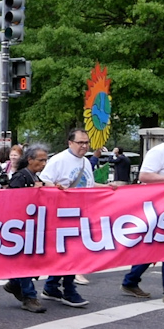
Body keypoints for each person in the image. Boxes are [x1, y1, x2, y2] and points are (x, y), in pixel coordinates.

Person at [38, 128, 98, 307]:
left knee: (70, 252)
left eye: (86, 142)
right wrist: (57, 190)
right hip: (62, 214)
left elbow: (88, 185)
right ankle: (69, 289)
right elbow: (44, 180)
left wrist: (108, 187)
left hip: (81, 213)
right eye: (80, 143)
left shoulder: (85, 162)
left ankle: (52, 286)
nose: (84, 146)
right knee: (71, 253)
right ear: (70, 143)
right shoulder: (59, 160)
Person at [122, 123, 164, 302]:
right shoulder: (159, 152)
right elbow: (144, 176)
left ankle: (131, 280)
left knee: (157, 245)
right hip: (159, 207)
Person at [2, 144, 51, 311]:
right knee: (26, 261)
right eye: (40, 160)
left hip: (33, 224)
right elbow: (12, 200)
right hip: (20, 226)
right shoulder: (20, 177)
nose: (44, 163)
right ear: (30, 160)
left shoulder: (35, 177)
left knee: (34, 260)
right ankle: (29, 297)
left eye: (46, 160)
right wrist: (32, 192)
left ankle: (15, 283)